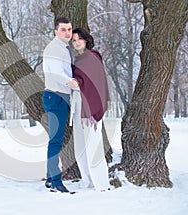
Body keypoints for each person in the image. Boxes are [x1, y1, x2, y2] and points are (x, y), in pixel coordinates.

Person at [67, 27, 111, 192]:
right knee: (80, 146)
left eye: (79, 39)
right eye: (74, 40)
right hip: (78, 105)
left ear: (86, 40)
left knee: (93, 146)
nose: (76, 42)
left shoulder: (92, 57)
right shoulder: (78, 60)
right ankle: (87, 180)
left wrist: (78, 82)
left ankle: (101, 183)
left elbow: (96, 82)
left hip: (90, 107)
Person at [42, 17, 74, 193]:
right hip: (55, 97)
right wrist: (73, 83)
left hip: (60, 96)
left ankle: (49, 177)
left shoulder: (62, 47)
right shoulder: (53, 48)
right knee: (56, 141)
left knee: (56, 139)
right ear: (56, 31)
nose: (67, 33)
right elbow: (56, 74)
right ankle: (55, 181)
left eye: (69, 29)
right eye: (63, 29)